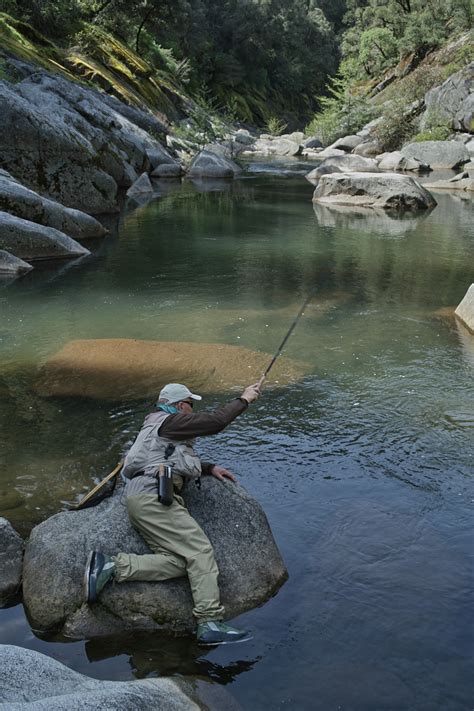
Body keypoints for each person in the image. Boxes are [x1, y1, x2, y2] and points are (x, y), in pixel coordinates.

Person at [84, 380, 262, 645]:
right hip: (154, 498)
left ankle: (111, 566)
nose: (192, 411)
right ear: (180, 405)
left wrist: (208, 467)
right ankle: (210, 621)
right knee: (200, 552)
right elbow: (215, 422)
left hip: (140, 499)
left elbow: (163, 456)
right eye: (191, 405)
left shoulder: (153, 425)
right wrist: (245, 398)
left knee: (182, 562)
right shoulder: (171, 421)